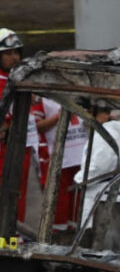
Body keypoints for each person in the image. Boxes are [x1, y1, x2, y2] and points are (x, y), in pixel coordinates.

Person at [0, 27, 39, 222]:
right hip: (7, 146)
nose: (14, 57)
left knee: (19, 191)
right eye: (8, 53)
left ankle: (17, 233)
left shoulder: (15, 79)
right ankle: (9, 234)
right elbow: (2, 118)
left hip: (21, 143)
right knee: (11, 192)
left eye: (16, 52)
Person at [40, 96, 88, 231]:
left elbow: (91, 120)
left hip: (81, 157)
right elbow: (36, 126)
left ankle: (75, 234)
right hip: (60, 158)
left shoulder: (81, 93)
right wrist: (59, 117)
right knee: (59, 201)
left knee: (79, 200)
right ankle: (55, 236)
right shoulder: (45, 98)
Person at [74, 102, 120, 229]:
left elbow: (100, 166)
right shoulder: (107, 131)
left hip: (100, 196)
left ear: (105, 114)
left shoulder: (107, 133)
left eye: (88, 112)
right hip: (104, 196)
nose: (85, 117)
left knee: (94, 237)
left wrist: (79, 179)